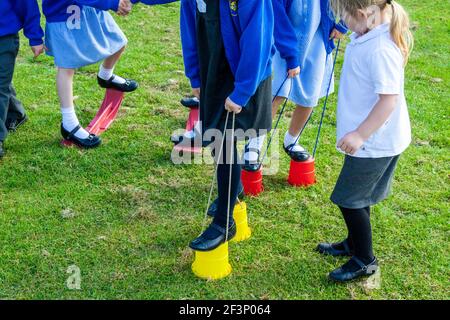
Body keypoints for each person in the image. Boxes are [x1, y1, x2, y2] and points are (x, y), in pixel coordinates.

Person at [317, 0, 413, 282]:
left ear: (362, 14)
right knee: (358, 197)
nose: (342, 22)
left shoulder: (381, 49)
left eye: (344, 16)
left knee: (349, 200)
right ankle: (354, 243)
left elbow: (389, 101)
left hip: (375, 141)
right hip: (369, 139)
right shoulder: (367, 34)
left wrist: (360, 134)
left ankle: (365, 259)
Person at [179, 0, 274, 251]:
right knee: (215, 136)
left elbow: (257, 38)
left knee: (224, 140)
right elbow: (189, 27)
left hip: (244, 71)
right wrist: (195, 75)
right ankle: (236, 190)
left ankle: (224, 222)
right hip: (211, 67)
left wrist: (242, 91)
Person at [243, 0, 347, 170]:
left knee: (310, 93)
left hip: (318, 35)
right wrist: (291, 56)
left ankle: (292, 139)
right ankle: (254, 145)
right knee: (276, 92)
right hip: (283, 38)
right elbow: (277, 17)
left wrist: (343, 24)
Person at [42, 0, 138, 148]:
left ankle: (105, 76)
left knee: (119, 41)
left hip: (91, 9)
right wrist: (112, 3)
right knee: (67, 67)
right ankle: (69, 124)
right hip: (65, 15)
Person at [0, 0, 44, 159]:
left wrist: (35, 37)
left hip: (4, 39)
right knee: (2, 83)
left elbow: (26, 4)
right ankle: (16, 113)